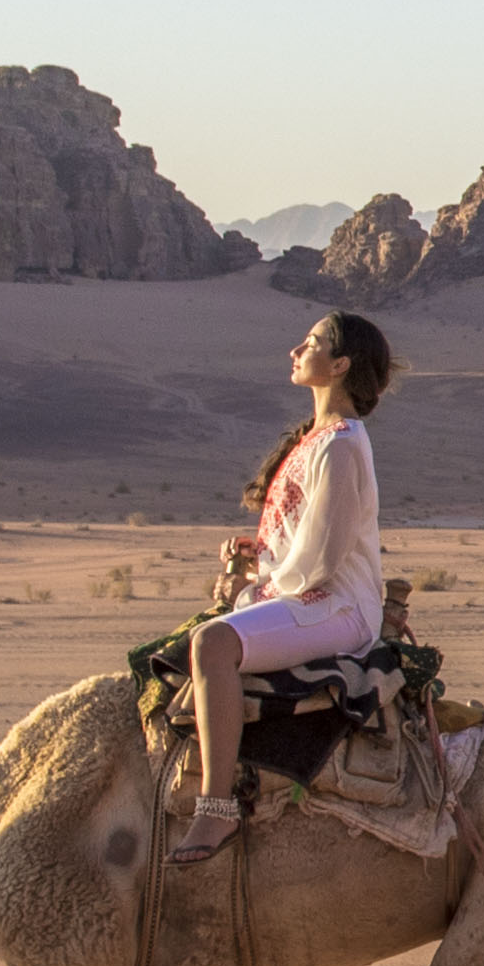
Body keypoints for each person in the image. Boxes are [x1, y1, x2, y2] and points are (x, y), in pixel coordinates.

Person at [178, 309, 393, 855]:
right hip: (307, 594)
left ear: (339, 364)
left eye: (312, 342)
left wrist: (256, 589)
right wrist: (257, 560)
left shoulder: (341, 445)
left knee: (213, 645)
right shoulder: (318, 439)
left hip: (337, 608)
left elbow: (321, 559)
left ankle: (216, 807)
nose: (297, 350)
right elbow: (301, 548)